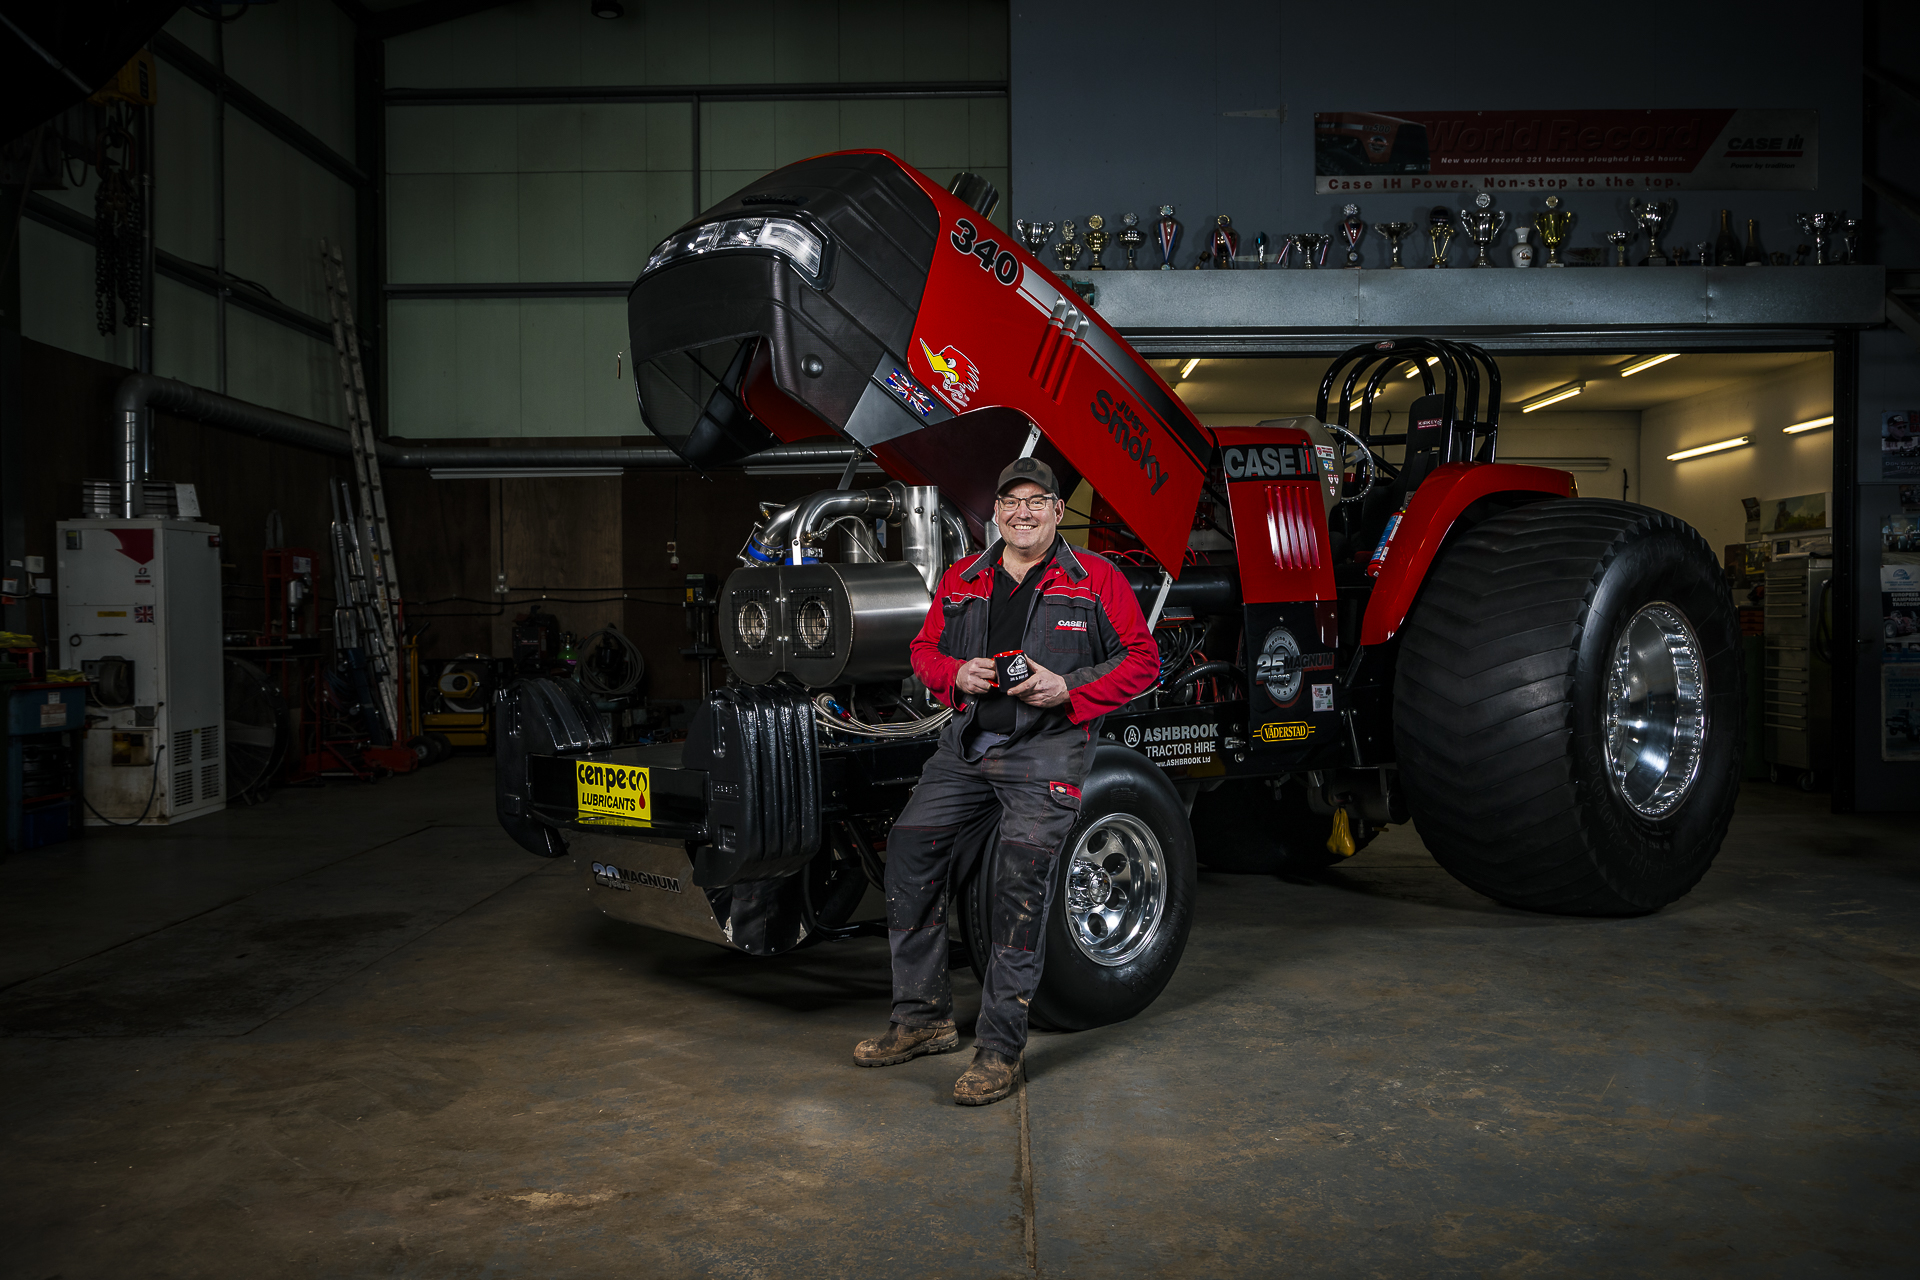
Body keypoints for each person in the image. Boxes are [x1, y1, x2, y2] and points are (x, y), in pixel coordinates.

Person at [853, 455, 1159, 1105]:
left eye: (1036, 501)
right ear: (997, 512)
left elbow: (1142, 662)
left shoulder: (1095, 578)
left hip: (1046, 755)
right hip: (967, 749)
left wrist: (1068, 687)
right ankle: (923, 1017)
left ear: (1056, 511)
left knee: (1016, 886)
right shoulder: (965, 577)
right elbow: (924, 652)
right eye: (1010, 501)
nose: (1022, 511)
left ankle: (998, 1049)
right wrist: (953, 675)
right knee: (909, 849)